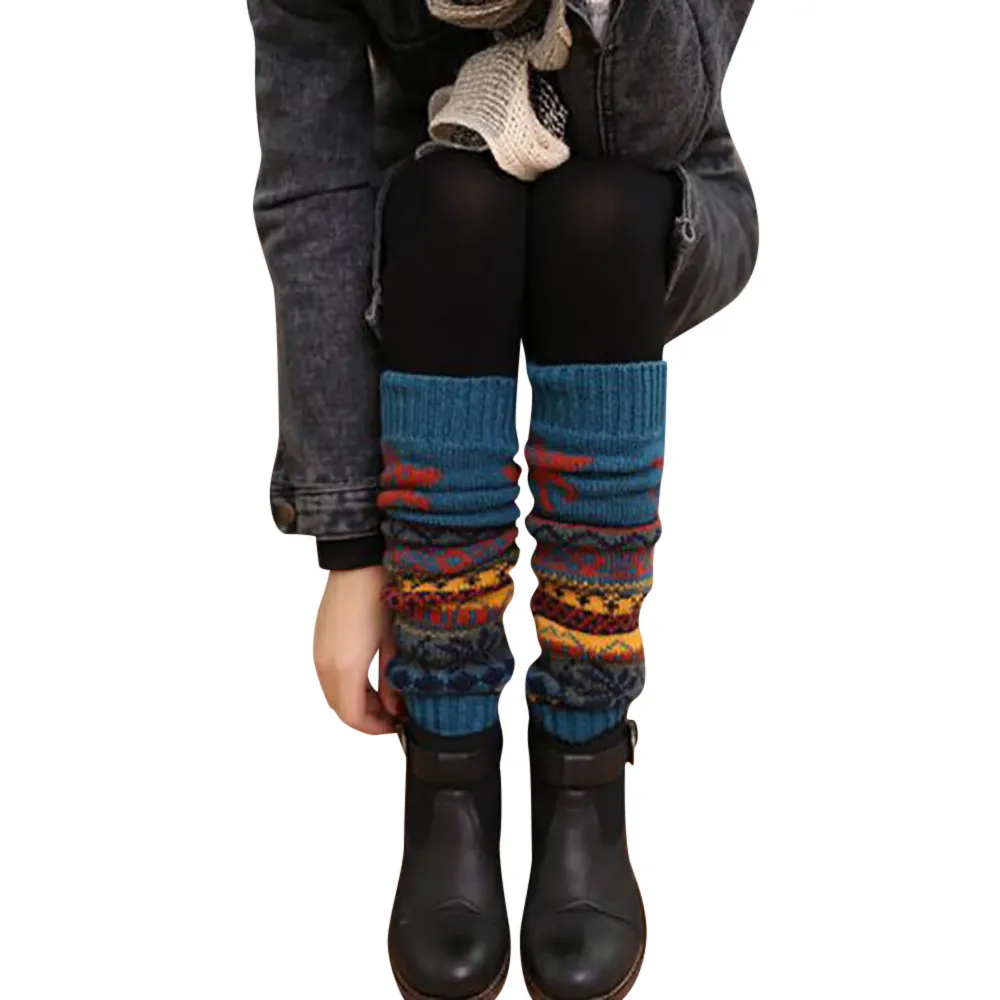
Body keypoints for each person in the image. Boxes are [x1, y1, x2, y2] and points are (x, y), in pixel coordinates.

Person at [247, 1, 757, 997]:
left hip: (653, 196)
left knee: (598, 207)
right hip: (439, 228)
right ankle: (449, 755)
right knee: (452, 202)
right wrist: (350, 549)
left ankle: (585, 749)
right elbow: (316, 182)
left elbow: (656, 125)